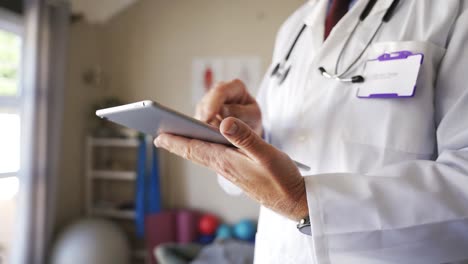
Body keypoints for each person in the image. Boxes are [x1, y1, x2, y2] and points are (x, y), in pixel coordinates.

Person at [154, 0, 468, 263]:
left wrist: (310, 203)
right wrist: (248, 132)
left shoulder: (450, 10)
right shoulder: (295, 27)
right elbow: (292, 140)